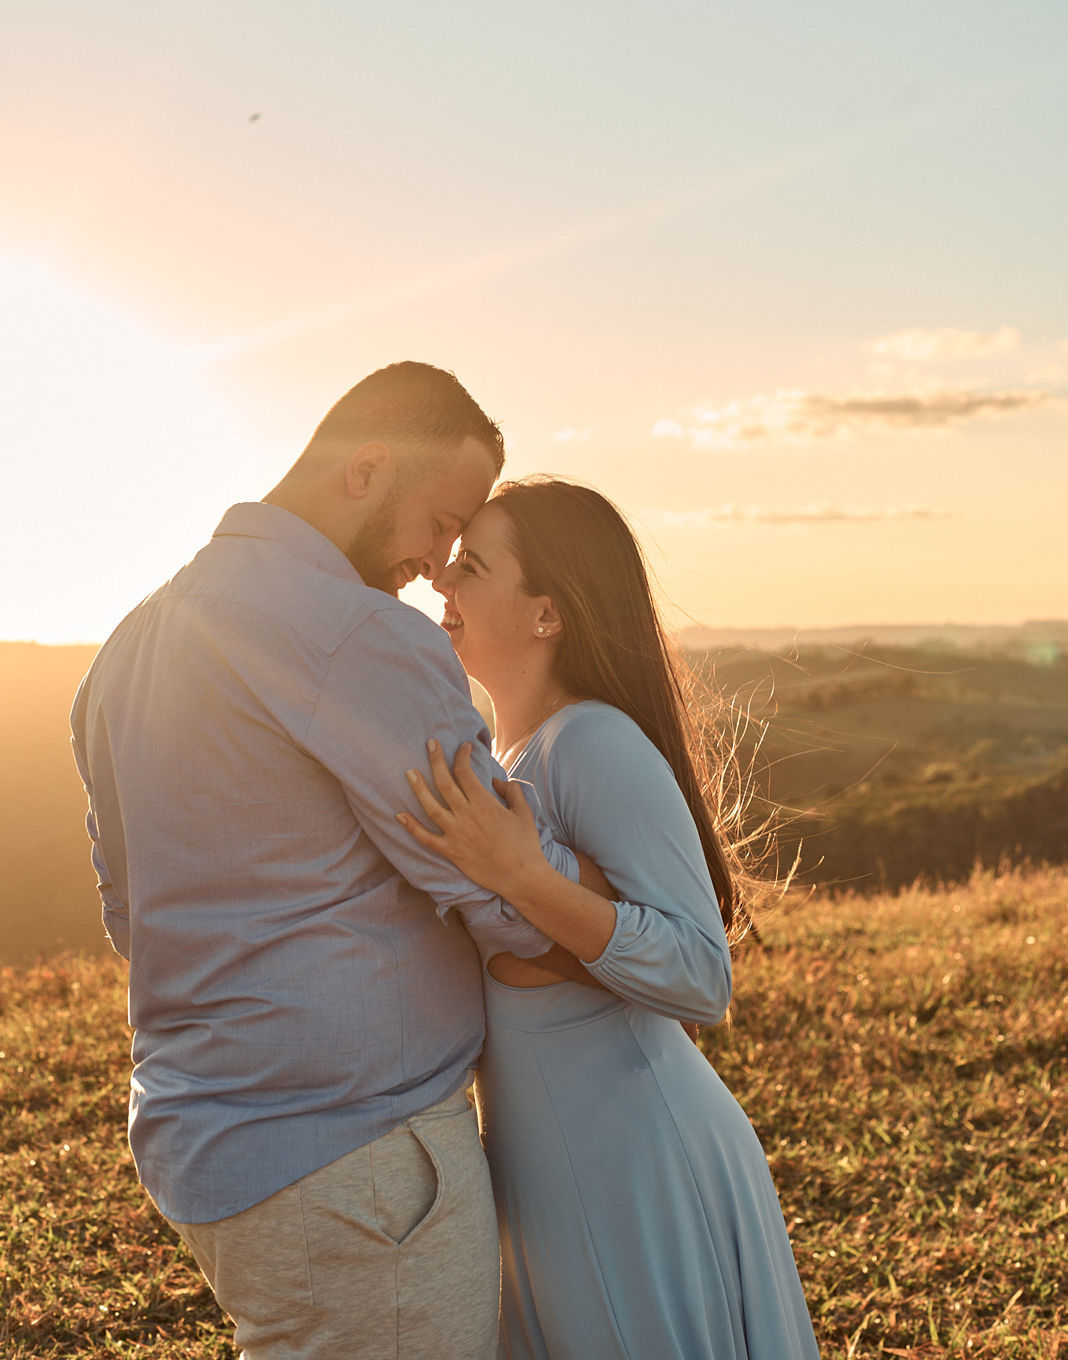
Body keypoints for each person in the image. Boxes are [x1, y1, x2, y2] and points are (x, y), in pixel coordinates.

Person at [69, 364, 592, 1360]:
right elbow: (511, 897)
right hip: (362, 1162)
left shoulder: (128, 647)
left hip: (213, 1152)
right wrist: (638, 919)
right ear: (365, 470)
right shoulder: (358, 635)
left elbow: (132, 914)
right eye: (441, 522)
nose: (437, 565)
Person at [399, 477, 821, 1360]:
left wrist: (525, 878)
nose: (442, 578)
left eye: (473, 564)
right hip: (555, 1166)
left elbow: (702, 975)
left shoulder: (592, 742)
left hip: (637, 1163)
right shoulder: (510, 753)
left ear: (547, 614)